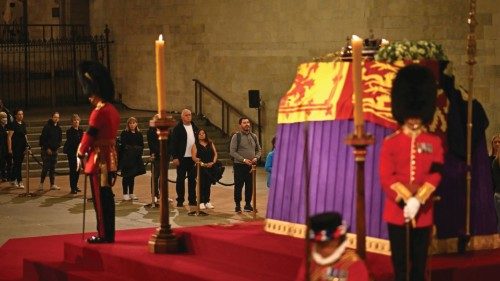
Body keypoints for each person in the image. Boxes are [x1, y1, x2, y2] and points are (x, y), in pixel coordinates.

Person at [379, 64, 444, 281]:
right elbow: (387, 176)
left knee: (419, 266)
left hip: (424, 213)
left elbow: (436, 171)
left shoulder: (433, 142)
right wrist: (407, 200)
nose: (414, 117)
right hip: (396, 213)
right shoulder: (391, 143)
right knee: (400, 265)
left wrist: (419, 199)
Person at [76, 60, 120, 244]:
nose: (89, 97)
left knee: (100, 201)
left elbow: (90, 135)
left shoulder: (99, 111)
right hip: (110, 156)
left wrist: (80, 153)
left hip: (99, 158)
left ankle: (103, 234)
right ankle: (108, 233)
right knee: (107, 198)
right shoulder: (113, 109)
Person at [295, 212, 369, 281]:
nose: (319, 249)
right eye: (316, 243)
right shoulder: (310, 259)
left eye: (324, 245)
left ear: (337, 240)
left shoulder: (354, 265)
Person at [229, 117, 262, 213]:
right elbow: (232, 152)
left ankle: (248, 204)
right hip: (239, 165)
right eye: (244, 123)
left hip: (251, 166)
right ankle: (237, 205)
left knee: (249, 186)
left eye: (248, 122)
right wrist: (243, 160)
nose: (247, 124)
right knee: (238, 186)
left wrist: (256, 157)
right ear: (240, 125)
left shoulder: (254, 136)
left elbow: (259, 149)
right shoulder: (236, 136)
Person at [170, 108, 199, 208]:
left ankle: (192, 200)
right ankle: (180, 200)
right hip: (181, 158)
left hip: (192, 158)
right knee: (180, 180)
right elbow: (173, 144)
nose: (189, 116)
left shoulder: (195, 127)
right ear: (182, 117)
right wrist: (175, 157)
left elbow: (198, 142)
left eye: (190, 115)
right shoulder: (177, 128)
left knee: (192, 180)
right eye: (186, 115)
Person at [119, 117, 145, 201]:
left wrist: (136, 149)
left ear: (136, 124)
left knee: (132, 176)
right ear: (128, 124)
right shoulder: (124, 133)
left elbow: (142, 145)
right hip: (127, 158)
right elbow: (123, 145)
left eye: (134, 123)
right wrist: (133, 148)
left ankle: (131, 193)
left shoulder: (139, 133)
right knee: (126, 176)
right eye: (130, 123)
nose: (132, 125)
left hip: (136, 158)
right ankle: (125, 193)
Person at [191, 129, 218, 209]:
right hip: (201, 167)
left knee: (208, 184)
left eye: (203, 133)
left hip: (210, 166)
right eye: (200, 134)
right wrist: (202, 163)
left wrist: (213, 162)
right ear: (197, 135)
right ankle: (201, 201)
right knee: (201, 184)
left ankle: (207, 201)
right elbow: (194, 157)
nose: (202, 135)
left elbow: (215, 153)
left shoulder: (210, 143)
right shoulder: (195, 144)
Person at [38, 112, 62, 191]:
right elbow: (43, 139)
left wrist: (57, 147)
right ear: (52, 117)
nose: (56, 119)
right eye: (55, 117)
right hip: (46, 151)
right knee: (45, 168)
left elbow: (59, 139)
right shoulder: (47, 127)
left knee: (53, 168)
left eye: (57, 117)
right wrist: (47, 148)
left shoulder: (58, 128)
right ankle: (41, 184)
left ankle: (52, 184)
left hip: (54, 151)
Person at [6, 109, 28, 189]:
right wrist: (9, 149)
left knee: (17, 164)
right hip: (15, 148)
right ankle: (20, 181)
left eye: (22, 114)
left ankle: (12, 179)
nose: (21, 115)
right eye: (19, 114)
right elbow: (9, 137)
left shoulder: (23, 124)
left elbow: (25, 135)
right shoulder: (13, 124)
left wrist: (27, 146)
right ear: (15, 115)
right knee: (18, 164)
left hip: (22, 147)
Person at [63, 114, 83, 194]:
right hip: (72, 153)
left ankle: (75, 185)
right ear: (72, 122)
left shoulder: (81, 131)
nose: (76, 121)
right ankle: (72, 187)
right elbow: (72, 141)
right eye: (74, 120)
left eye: (77, 120)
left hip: (79, 154)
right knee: (73, 170)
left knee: (78, 170)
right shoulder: (69, 131)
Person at [491, 134, 500, 233]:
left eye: (499, 142)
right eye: (495, 142)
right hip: (497, 192)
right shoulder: (494, 161)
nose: (497, 144)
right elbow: (496, 180)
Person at [0, 112, 9, 182]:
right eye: (3, 117)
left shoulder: (6, 126)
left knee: (4, 163)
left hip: (5, 148)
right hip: (1, 148)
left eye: (5, 117)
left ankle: (4, 176)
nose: (5, 119)